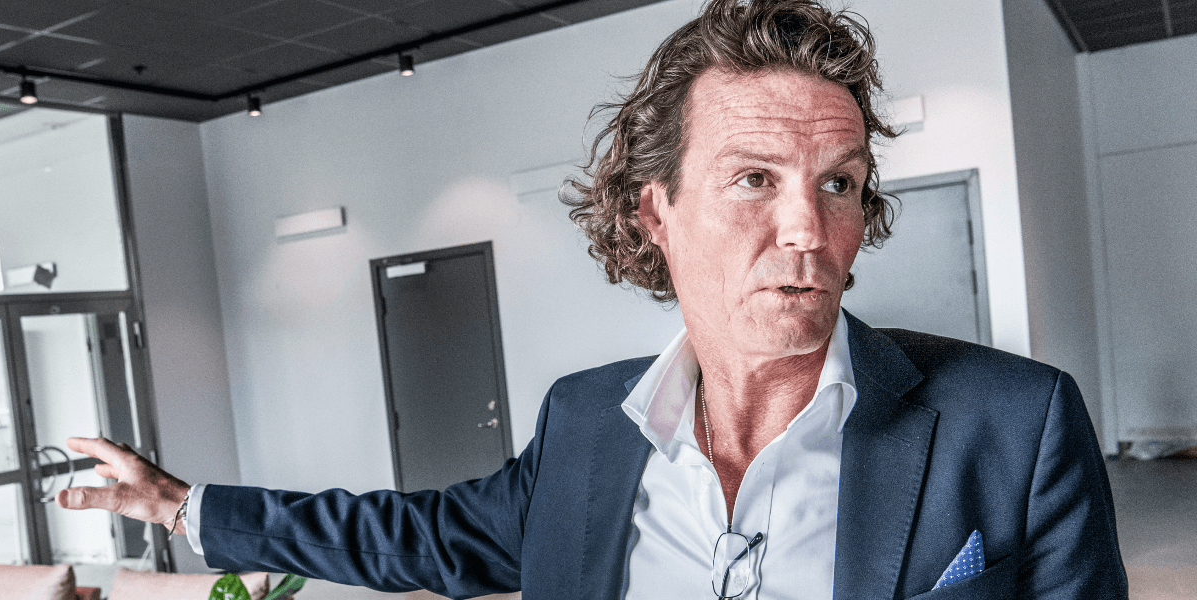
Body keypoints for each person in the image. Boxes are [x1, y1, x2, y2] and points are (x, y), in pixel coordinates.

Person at [59, 1, 1127, 598]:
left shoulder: (1013, 421)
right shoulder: (586, 422)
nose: (809, 228)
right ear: (655, 212)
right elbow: (420, 537)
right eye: (754, 179)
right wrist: (182, 506)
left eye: (838, 184)